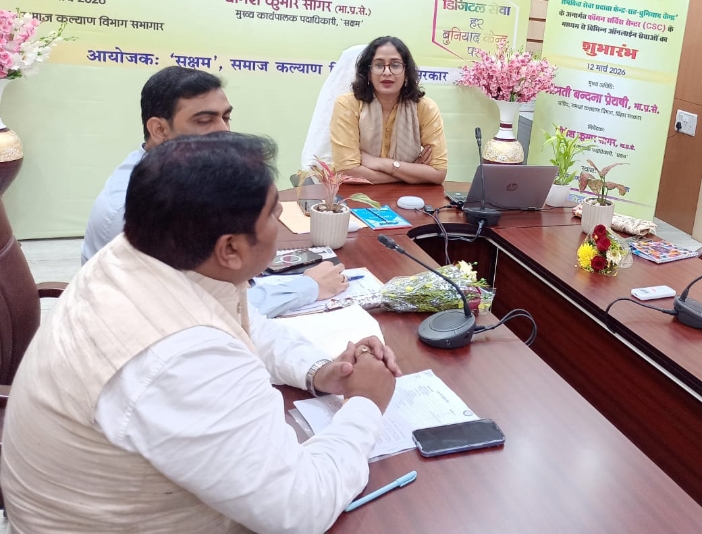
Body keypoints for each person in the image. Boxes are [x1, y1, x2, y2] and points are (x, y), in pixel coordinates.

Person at [1, 133, 401, 533]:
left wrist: (319, 371)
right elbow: (299, 508)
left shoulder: (141, 253)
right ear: (230, 250)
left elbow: (243, 324)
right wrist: (365, 404)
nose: (281, 221)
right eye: (272, 214)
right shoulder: (184, 357)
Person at [81, 65, 345, 317]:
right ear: (159, 130)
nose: (224, 131)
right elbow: (194, 308)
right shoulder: (134, 208)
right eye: (205, 120)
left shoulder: (181, 175)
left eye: (226, 117)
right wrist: (306, 288)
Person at [330, 35, 448, 184]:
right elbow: (348, 172)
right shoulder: (348, 104)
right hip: (355, 193)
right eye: (379, 65)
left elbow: (438, 173)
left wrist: (384, 164)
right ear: (368, 73)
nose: (387, 72)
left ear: (406, 72)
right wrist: (411, 172)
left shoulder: (425, 108)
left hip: (409, 195)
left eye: (395, 65)